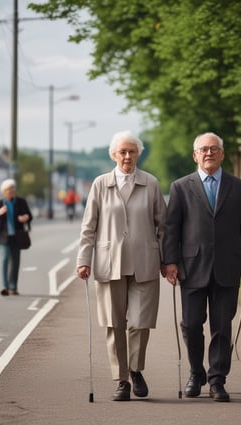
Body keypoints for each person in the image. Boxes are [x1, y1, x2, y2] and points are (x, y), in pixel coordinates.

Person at [163, 132, 241, 402]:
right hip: (191, 268)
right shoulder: (181, 187)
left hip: (228, 267)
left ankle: (218, 380)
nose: (209, 153)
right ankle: (196, 373)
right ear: (195, 155)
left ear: (222, 154)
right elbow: (171, 229)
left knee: (221, 326)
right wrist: (169, 261)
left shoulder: (238, 187)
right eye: (203, 149)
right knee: (191, 324)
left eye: (214, 149)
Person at [77, 130, 167, 401]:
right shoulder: (100, 184)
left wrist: (167, 260)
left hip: (145, 262)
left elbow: (163, 226)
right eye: (122, 152)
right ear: (113, 155)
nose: (127, 156)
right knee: (114, 324)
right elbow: (88, 226)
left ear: (138, 154)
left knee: (140, 322)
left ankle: (136, 370)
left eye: (132, 152)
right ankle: (122, 380)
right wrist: (84, 259)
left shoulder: (150, 183)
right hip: (109, 263)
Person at [0, 178, 33, 296]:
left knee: (15, 262)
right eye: (7, 190)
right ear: (3, 192)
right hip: (3, 238)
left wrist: (25, 217)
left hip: (17, 237)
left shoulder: (21, 202)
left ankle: (13, 287)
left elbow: (29, 216)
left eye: (11, 189)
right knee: (5, 258)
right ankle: (5, 286)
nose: (10, 191)